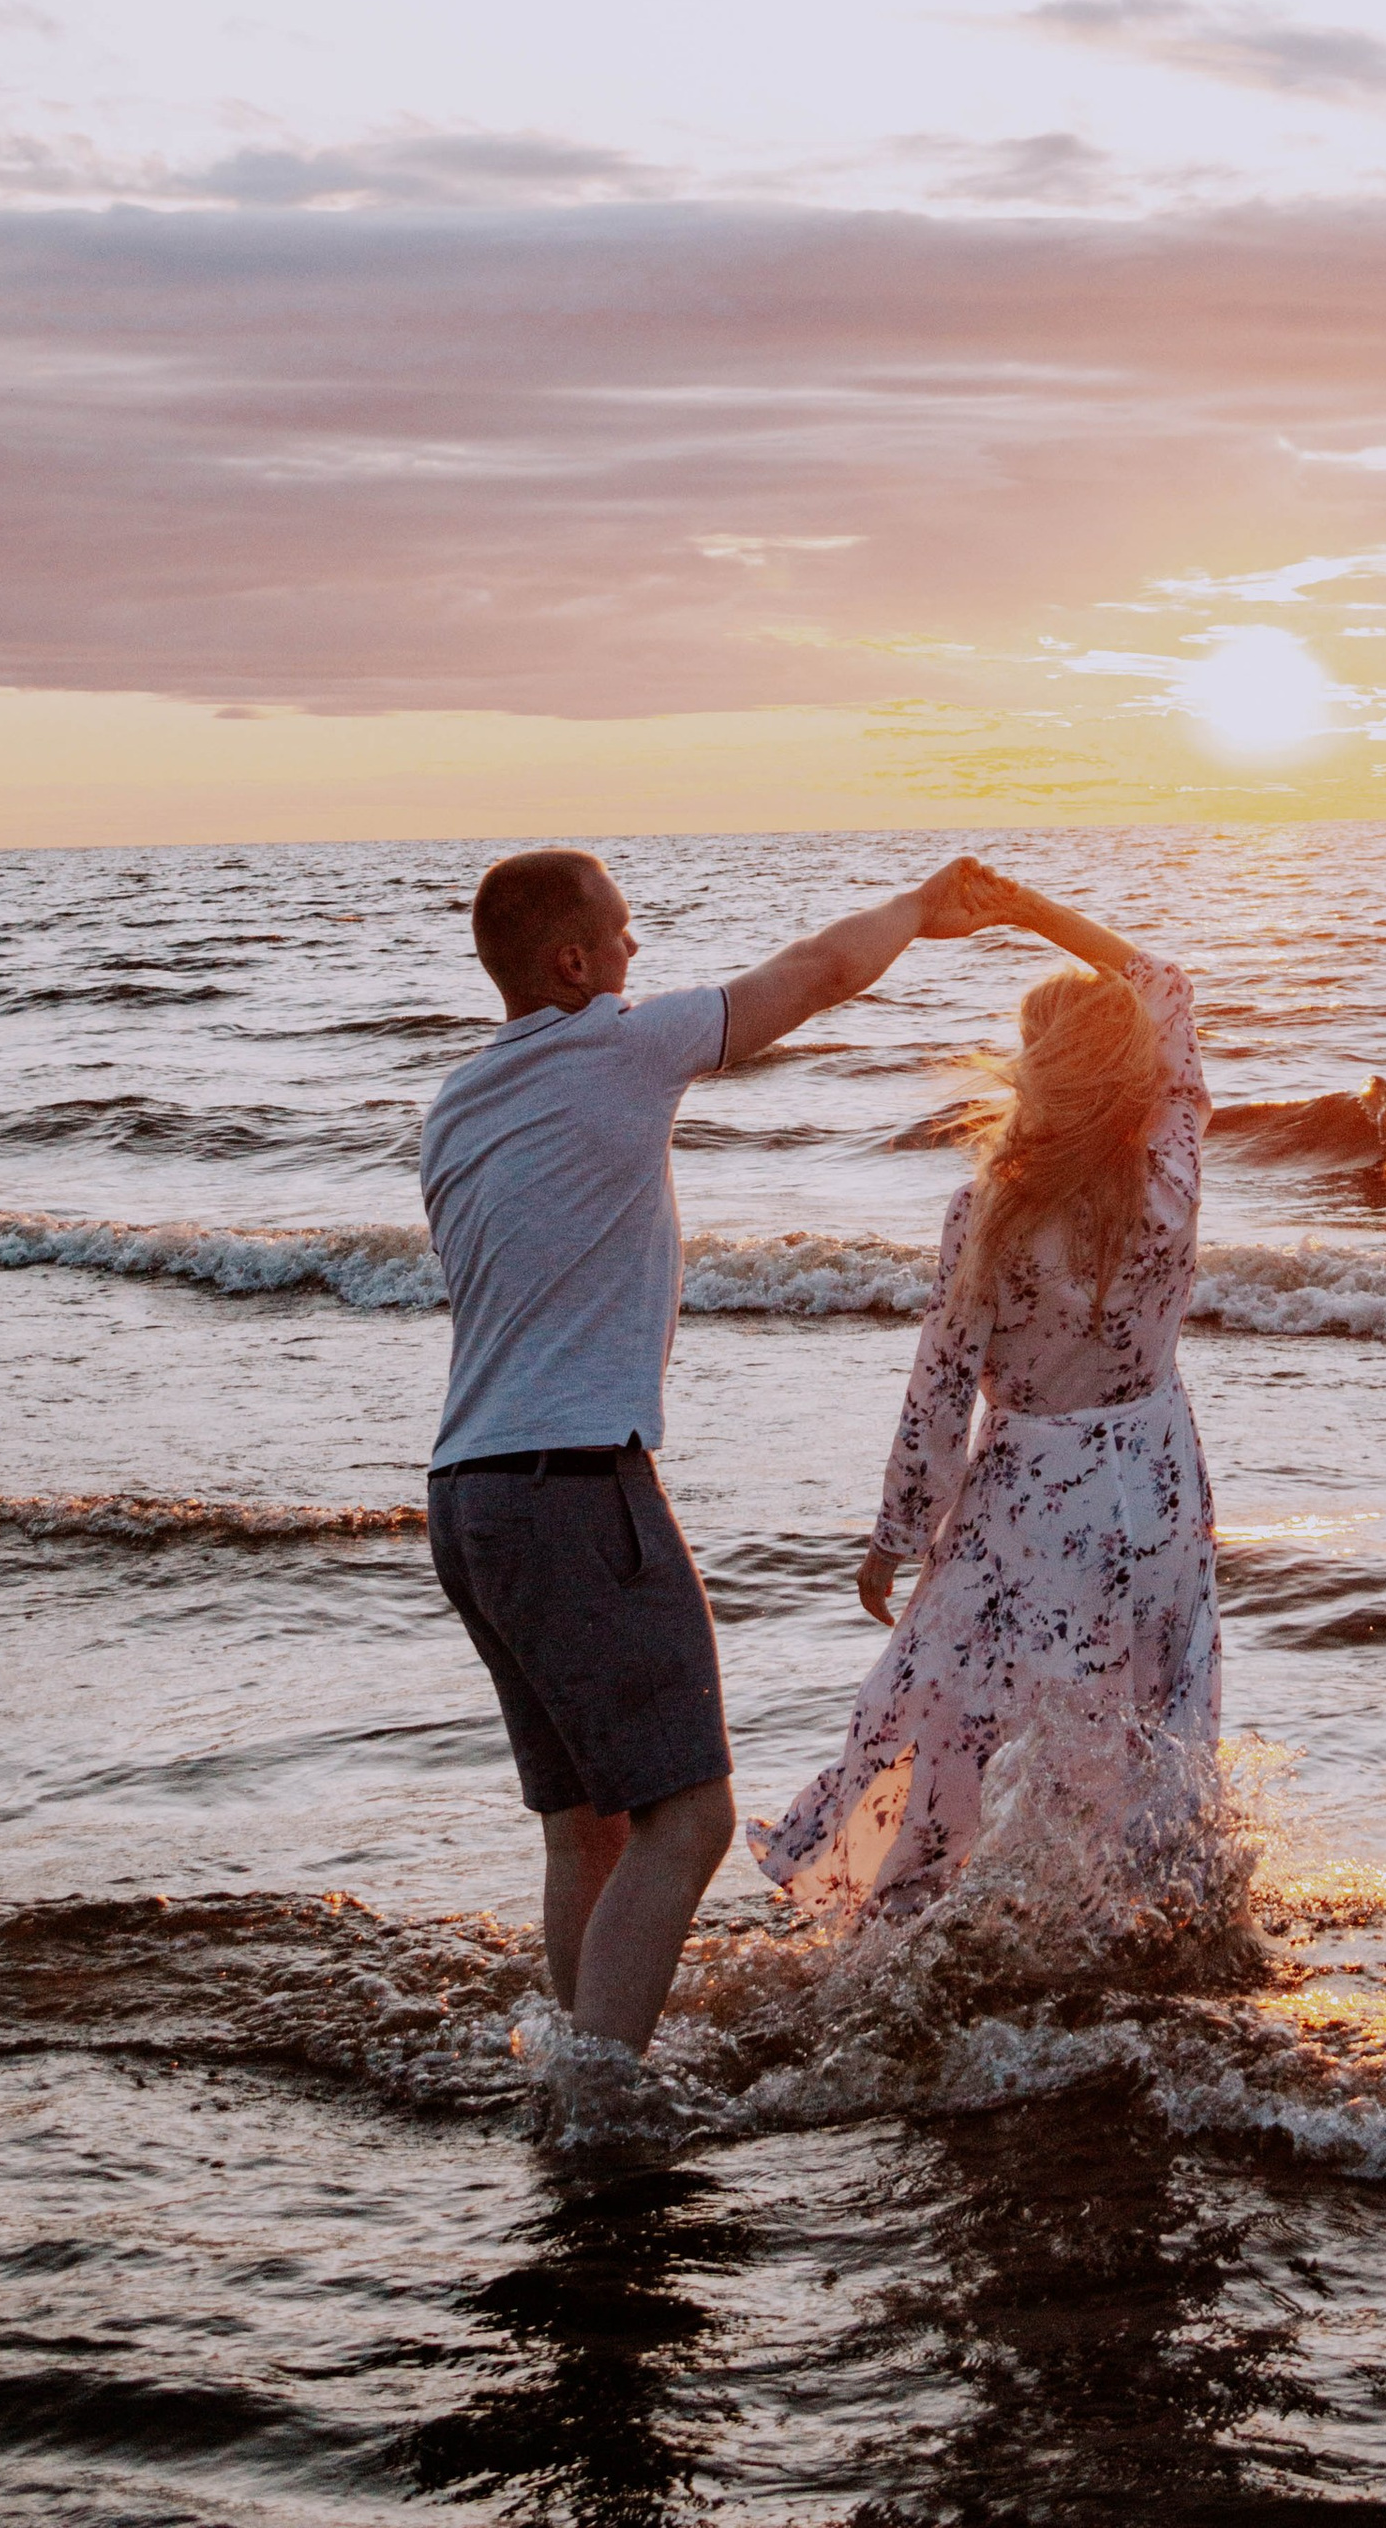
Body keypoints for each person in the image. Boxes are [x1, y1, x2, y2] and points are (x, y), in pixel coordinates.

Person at [422, 842, 1004, 2054]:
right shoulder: (619, 1044)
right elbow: (816, 972)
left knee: (584, 1821)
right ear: (572, 962)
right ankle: (599, 2094)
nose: (635, 949)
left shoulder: (457, 1105)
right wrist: (917, 906)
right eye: (619, 931)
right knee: (689, 1817)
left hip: (467, 1498)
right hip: (576, 1485)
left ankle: (578, 2061)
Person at [751, 872, 1215, 1914]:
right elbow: (1164, 980)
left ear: (1036, 1073)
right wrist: (1033, 912)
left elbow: (941, 1387)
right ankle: (1140, 1899)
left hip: (1030, 1491)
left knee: (954, 1696)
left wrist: (895, 1534)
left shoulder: (990, 1211)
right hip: (1157, 1477)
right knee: (1147, 1690)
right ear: (1136, 1074)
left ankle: (929, 1899)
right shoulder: (1173, 1179)